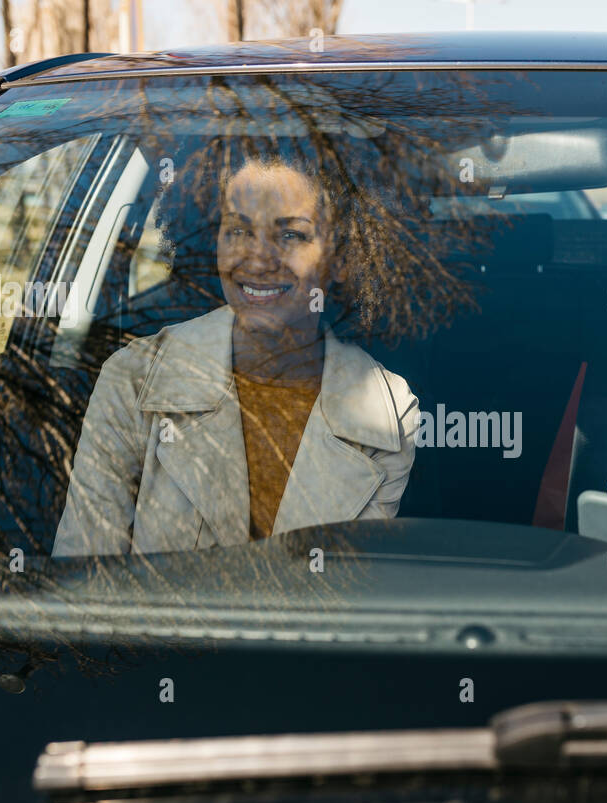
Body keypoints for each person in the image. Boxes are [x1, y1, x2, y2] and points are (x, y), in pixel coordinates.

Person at [53, 138, 419, 556]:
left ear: (341, 257)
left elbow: (339, 599)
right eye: (239, 230)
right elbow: (83, 587)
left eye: (292, 234)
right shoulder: (134, 382)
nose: (258, 258)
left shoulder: (386, 416)